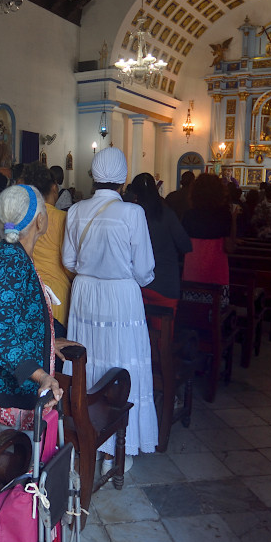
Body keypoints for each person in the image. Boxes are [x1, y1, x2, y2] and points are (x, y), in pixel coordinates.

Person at [62, 147, 157, 466]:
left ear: (94, 176)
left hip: (86, 293)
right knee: (122, 362)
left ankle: (83, 435)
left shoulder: (76, 211)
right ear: (123, 178)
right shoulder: (133, 213)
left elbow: (68, 261)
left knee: (88, 361)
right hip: (121, 297)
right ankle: (118, 447)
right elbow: (144, 272)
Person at [0, 185, 68, 432]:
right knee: (17, 459)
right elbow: (0, 337)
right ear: (39, 221)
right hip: (11, 386)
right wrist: (42, 376)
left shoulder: (13, 254)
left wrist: (47, 341)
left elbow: (18, 315)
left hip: (14, 378)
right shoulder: (11, 262)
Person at [126, 172, 191, 311]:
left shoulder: (129, 215)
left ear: (135, 193)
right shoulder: (166, 214)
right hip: (165, 283)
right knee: (164, 330)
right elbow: (185, 245)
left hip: (136, 285)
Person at [22, 162, 73, 335]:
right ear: (54, 187)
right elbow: (69, 264)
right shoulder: (62, 218)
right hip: (55, 296)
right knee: (55, 354)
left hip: (26, 291)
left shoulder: (21, 218)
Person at [182, 174, 236, 287]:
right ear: (219, 192)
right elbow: (230, 247)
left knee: (192, 303)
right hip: (215, 271)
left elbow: (183, 245)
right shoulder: (224, 215)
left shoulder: (189, 215)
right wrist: (234, 220)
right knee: (216, 304)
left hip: (193, 271)